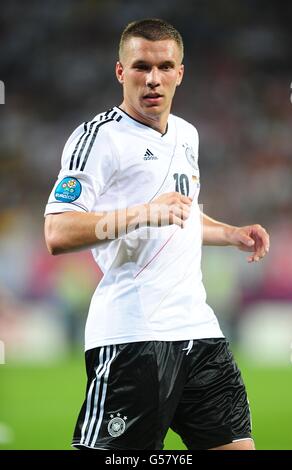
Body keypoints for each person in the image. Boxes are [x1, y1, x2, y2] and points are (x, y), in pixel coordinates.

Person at [44, 18, 269, 450]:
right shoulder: (98, 139)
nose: (153, 78)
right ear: (120, 72)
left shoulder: (187, 135)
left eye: (165, 66)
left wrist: (231, 233)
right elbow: (56, 232)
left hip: (199, 331)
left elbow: (180, 217)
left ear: (180, 73)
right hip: (134, 337)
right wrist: (144, 212)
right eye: (141, 66)